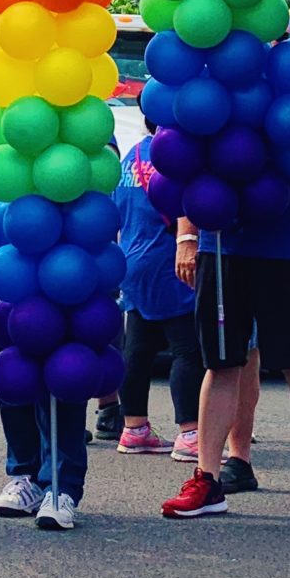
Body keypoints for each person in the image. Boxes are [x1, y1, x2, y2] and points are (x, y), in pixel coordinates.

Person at [159, 138, 290, 533]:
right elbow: (190, 153)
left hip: (288, 247)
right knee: (222, 365)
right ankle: (208, 480)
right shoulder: (213, 79)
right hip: (221, 243)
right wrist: (186, 235)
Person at [0, 131, 87, 530]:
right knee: (9, 379)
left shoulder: (67, 117)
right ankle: (23, 475)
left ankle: (62, 484)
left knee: (62, 378)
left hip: (57, 275)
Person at [112, 131, 199, 455]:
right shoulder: (176, 154)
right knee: (187, 349)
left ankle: (134, 428)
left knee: (137, 347)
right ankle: (190, 433)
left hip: (132, 258)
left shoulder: (130, 157)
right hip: (169, 259)